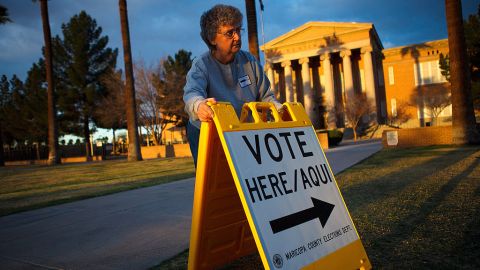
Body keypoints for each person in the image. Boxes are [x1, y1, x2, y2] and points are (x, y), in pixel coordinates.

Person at [183, 4, 282, 167]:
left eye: (238, 30)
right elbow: (192, 93)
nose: (237, 37)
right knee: (216, 184)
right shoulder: (201, 65)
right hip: (207, 132)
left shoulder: (249, 61)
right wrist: (199, 105)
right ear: (212, 38)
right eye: (230, 33)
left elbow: (266, 97)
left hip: (243, 131)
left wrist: (279, 110)